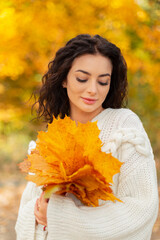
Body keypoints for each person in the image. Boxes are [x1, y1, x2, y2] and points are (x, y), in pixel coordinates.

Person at [15, 34, 159, 240]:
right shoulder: (54, 133)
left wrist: (60, 218)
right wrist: (39, 214)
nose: (92, 90)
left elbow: (141, 208)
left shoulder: (124, 127)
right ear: (64, 79)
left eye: (103, 82)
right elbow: (29, 205)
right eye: (82, 79)